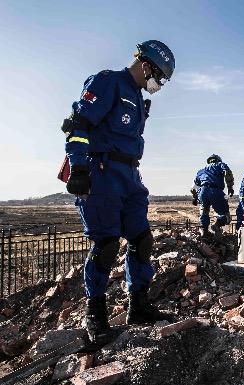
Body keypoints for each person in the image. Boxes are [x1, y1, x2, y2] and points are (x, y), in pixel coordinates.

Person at [61, 40, 175, 343]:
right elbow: (79, 124)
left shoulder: (138, 98)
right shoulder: (108, 82)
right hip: (102, 174)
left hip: (129, 175)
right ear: (146, 65)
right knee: (107, 244)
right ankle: (95, 314)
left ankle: (138, 306)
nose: (159, 83)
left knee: (142, 239)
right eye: (159, 76)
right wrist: (79, 167)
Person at [192, 154, 234, 237]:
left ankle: (204, 232)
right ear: (218, 160)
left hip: (202, 192)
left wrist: (195, 198)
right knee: (225, 215)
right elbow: (227, 173)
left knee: (204, 212)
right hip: (215, 191)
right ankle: (216, 225)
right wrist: (230, 187)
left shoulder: (201, 171)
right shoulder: (220, 165)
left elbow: (193, 188)